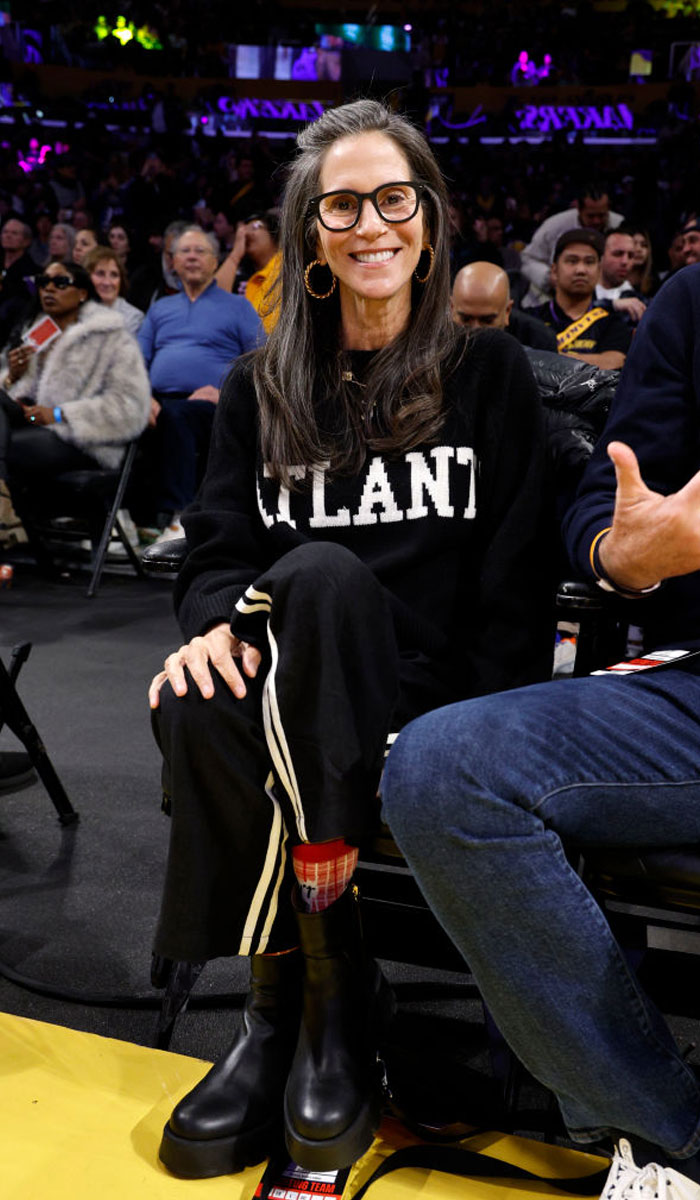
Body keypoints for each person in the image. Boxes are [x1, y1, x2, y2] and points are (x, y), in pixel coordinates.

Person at [147, 98, 552, 1183]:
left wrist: (479, 740)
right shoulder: (259, 388)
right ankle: (302, 1005)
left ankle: (309, 1013)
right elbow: (215, 558)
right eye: (340, 206)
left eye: (391, 198)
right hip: (284, 690)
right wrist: (205, 635)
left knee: (322, 578)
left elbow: (512, 592)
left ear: (426, 217)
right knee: (196, 686)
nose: (369, 224)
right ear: (309, 231)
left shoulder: (490, 375)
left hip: (423, 704)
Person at [382, 262, 700, 1200]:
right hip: (692, 688)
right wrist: (621, 554)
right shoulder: (690, 302)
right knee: (443, 768)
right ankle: (667, 1137)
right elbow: (613, 498)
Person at [0, 260, 150, 541]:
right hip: (29, 425)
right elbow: (13, 399)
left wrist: (58, 414)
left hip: (83, 439)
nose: (49, 289)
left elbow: (131, 408)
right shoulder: (37, 333)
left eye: (61, 283)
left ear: (82, 292)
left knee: (8, 446)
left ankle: (7, 514)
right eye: (43, 282)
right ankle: (7, 514)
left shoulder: (113, 339)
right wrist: (12, 378)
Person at [136, 225, 263, 537]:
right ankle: (123, 519)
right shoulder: (160, 309)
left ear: (215, 260)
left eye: (200, 251)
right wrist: (143, 397)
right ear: (173, 262)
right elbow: (135, 361)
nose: (192, 257)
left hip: (216, 405)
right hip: (158, 401)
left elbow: (262, 360)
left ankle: (179, 515)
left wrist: (226, 394)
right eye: (185, 251)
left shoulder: (238, 306)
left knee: (178, 415)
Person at [529, 229, 632, 369]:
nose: (581, 270)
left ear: (599, 270)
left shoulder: (612, 323)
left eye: (589, 262)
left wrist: (547, 358)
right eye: (572, 261)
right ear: (554, 270)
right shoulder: (530, 319)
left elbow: (613, 362)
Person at [521, 185, 624, 308]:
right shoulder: (554, 226)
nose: (597, 221)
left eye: (602, 215)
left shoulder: (619, 224)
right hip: (549, 295)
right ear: (579, 209)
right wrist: (549, 278)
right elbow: (527, 259)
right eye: (591, 216)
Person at [451, 261, 557, 351]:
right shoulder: (436, 339)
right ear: (451, 308)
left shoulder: (539, 340)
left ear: (507, 311)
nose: (475, 330)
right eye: (466, 319)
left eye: (487, 321)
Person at [216, 210, 282, 332]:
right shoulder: (237, 273)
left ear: (275, 235)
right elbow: (214, 301)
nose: (246, 233)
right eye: (244, 229)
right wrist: (236, 254)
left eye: (256, 226)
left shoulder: (288, 269)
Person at [84, 245, 144, 335]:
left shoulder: (134, 317)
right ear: (87, 276)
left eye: (114, 275)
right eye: (100, 274)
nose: (107, 282)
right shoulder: (75, 310)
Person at [595, 228, 647, 325]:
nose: (625, 261)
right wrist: (613, 305)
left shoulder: (640, 302)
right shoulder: (581, 293)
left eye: (631, 256)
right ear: (601, 256)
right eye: (618, 254)